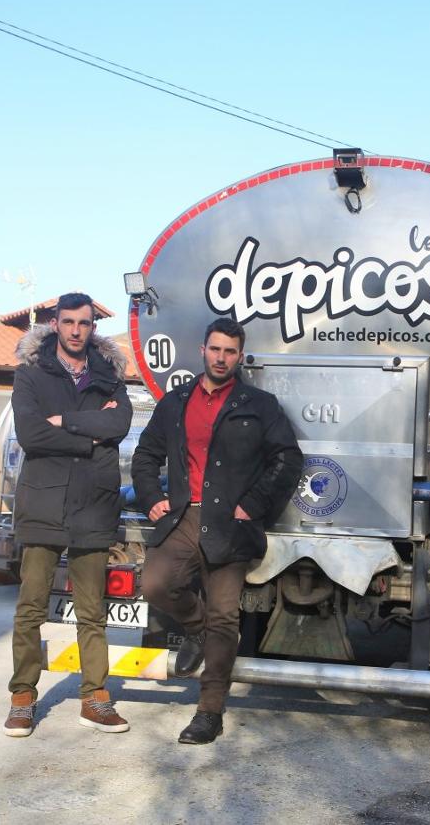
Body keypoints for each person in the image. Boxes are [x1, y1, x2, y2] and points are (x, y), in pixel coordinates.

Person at [131, 317, 302, 744]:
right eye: (215, 349)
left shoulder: (259, 404)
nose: (221, 358)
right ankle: (195, 630)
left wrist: (253, 505)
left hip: (231, 523)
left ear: (239, 356)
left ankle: (209, 712)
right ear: (202, 351)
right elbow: (145, 455)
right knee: (154, 584)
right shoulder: (175, 402)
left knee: (226, 615)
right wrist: (152, 496)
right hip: (184, 517)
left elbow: (288, 459)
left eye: (230, 351)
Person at [3, 292, 134, 738]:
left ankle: (95, 698)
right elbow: (32, 434)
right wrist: (87, 431)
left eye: (85, 323)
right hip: (43, 502)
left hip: (93, 503)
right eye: (69, 322)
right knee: (30, 608)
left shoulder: (109, 375)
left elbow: (118, 426)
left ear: (93, 326)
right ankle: (23, 697)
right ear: (55, 324)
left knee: (92, 612)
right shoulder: (31, 374)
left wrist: (64, 421)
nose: (77, 330)